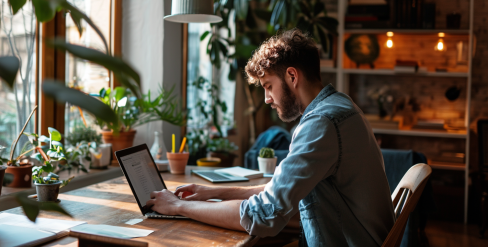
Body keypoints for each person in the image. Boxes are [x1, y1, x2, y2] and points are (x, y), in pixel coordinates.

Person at [146, 29, 395, 246]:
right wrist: (212, 192)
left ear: (292, 76)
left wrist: (177, 207)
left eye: (268, 86)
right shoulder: (339, 105)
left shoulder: (321, 124)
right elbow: (278, 191)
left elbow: (264, 215)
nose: (267, 99)